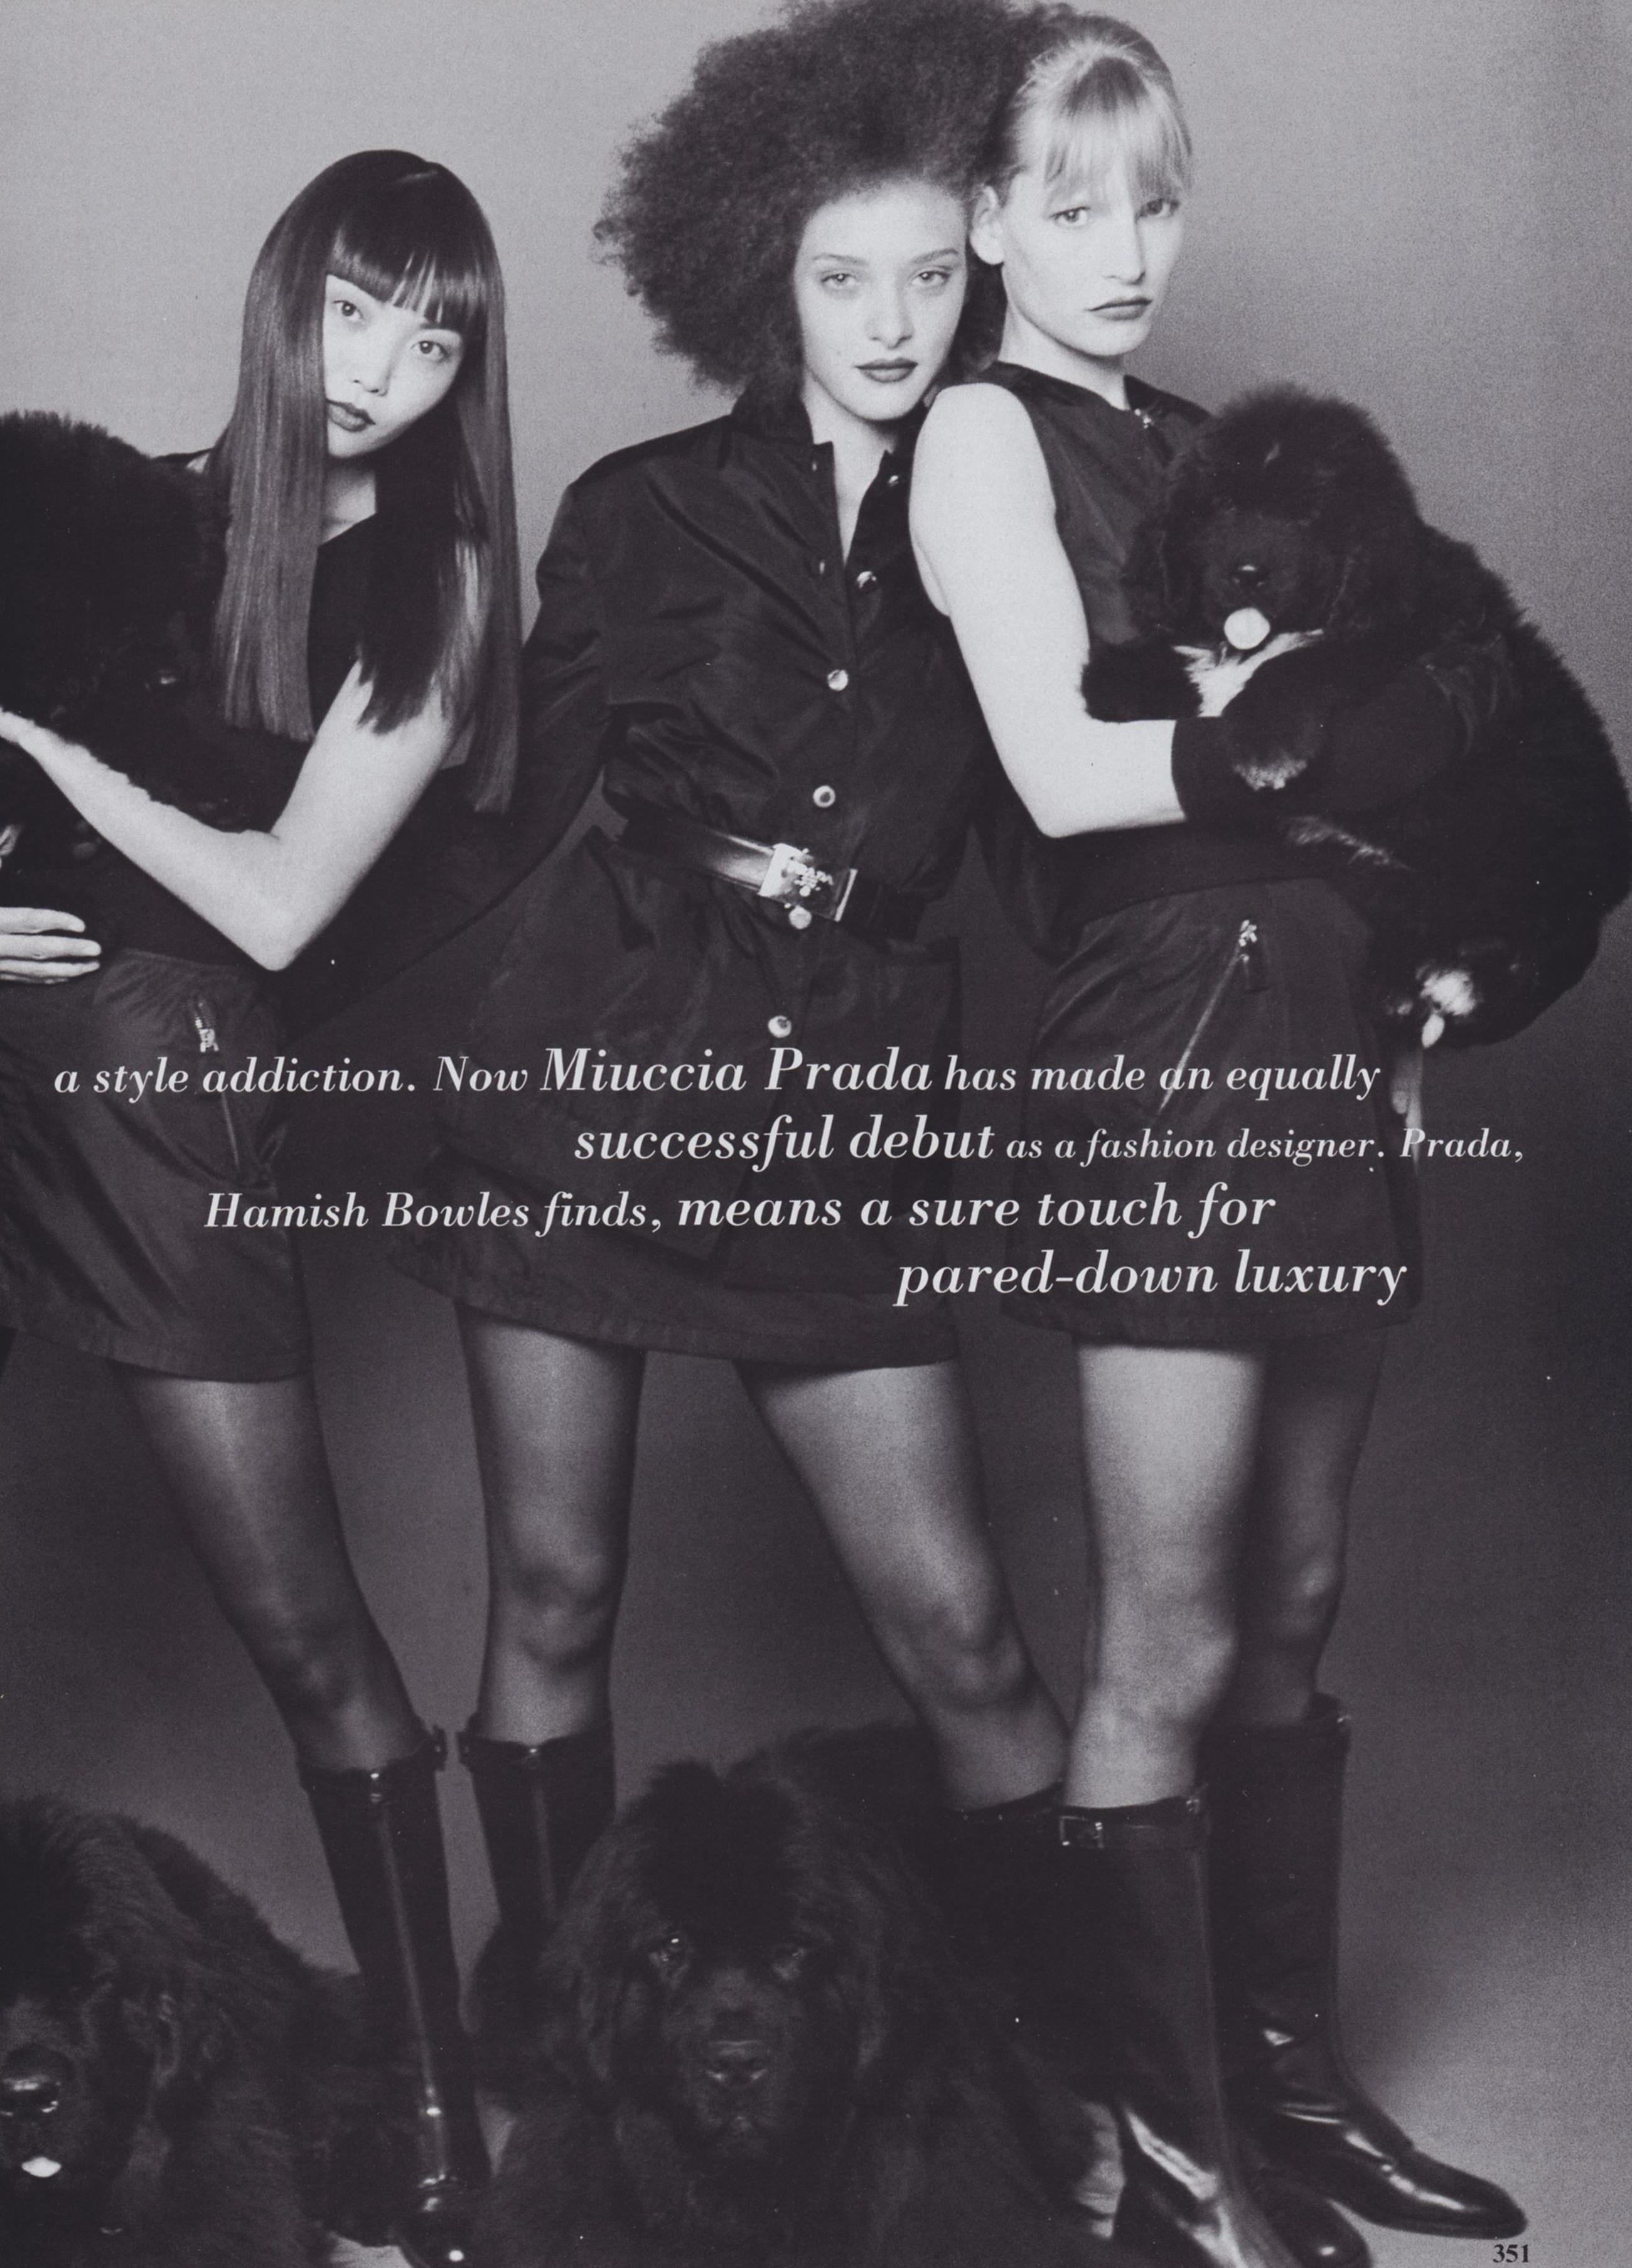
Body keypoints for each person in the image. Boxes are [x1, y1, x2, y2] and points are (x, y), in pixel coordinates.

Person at [394, 0, 1071, 2054]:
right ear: (761, 273)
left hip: (848, 1110)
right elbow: (492, 823)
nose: (893, 323)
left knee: (962, 1631)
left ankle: (1088, 2077)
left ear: (984, 266)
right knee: (555, 1599)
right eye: (843, 278)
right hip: (589, 1082)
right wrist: (201, 950)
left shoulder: (1024, 515)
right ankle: (558, 2068)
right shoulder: (640, 513)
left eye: (932, 277)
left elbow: (1071, 853)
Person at [910, 13, 1526, 2268]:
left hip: (1324, 1036)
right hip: (1163, 1043)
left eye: (1155, 202)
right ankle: (1179, 2176)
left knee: (1297, 1594)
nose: (1126, 248)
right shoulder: (979, 434)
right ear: (989, 220)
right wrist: (1309, 726)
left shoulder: (1209, 451)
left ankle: (1286, 2095)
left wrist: (1413, 973)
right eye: (1073, 204)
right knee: (1164, 1633)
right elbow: (1066, 775)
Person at [0, 149, 522, 2267]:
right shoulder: (95, 511)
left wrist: (44, 747)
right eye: (355, 310)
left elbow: (286, 907)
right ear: (282, 296)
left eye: (437, 337)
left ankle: (434, 2107)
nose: (384, 367)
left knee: (307, 1625)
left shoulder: (433, 587)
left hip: (161, 1080)